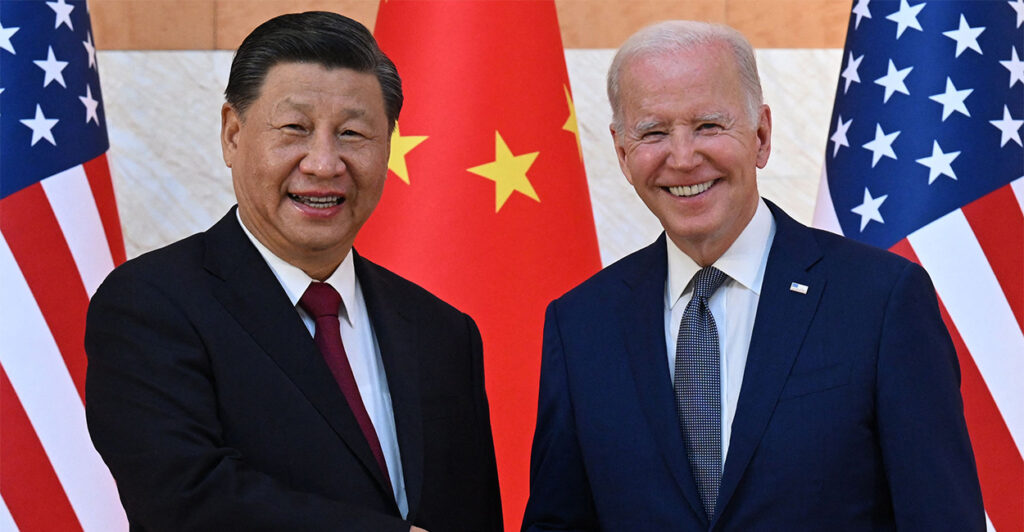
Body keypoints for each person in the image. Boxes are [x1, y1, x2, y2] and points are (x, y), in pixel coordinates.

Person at [522, 20, 984, 531]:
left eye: (708, 126)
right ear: (622, 153)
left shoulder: (881, 302)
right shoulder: (582, 324)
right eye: (653, 132)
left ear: (761, 136)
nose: (682, 157)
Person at [85, 12, 502, 532]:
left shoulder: (442, 330)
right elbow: (185, 499)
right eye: (295, 129)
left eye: (353, 133)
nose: (324, 163)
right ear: (233, 135)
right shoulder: (150, 304)